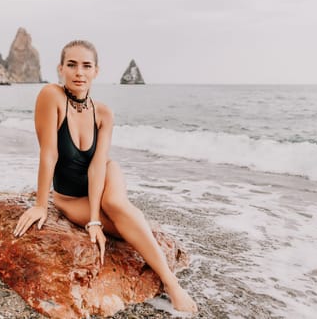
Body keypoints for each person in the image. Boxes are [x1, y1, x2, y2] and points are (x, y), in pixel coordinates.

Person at [13, 40, 197, 313]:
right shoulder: (50, 96)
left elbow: (98, 165)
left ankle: (171, 284)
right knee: (123, 230)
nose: (79, 72)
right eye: (72, 65)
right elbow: (49, 154)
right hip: (70, 196)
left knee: (116, 205)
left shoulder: (104, 113)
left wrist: (95, 220)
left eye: (87, 66)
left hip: (106, 176)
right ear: (60, 68)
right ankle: (160, 263)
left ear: (96, 71)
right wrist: (41, 204)